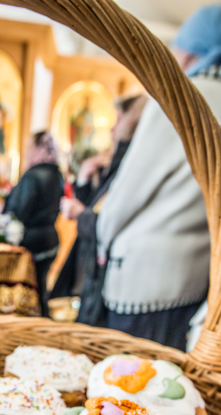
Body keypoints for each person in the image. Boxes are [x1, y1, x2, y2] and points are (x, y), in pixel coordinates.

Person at [95, 5, 221, 349]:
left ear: (192, 47)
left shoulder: (180, 97)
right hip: (196, 276)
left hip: (144, 279)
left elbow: (130, 189)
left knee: (123, 385)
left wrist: (102, 238)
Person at [51, 94, 147, 323]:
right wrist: (84, 180)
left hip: (109, 273)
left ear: (132, 121)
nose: (113, 127)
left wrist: (80, 214)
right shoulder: (118, 160)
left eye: (119, 118)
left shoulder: (133, 164)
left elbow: (112, 222)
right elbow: (97, 204)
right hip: (92, 264)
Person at [2, 131, 63, 318]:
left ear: (37, 148)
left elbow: (19, 211)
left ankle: (34, 325)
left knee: (30, 289)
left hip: (32, 241)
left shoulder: (33, 175)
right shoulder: (56, 173)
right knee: (42, 286)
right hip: (51, 238)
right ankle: (43, 320)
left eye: (30, 147)